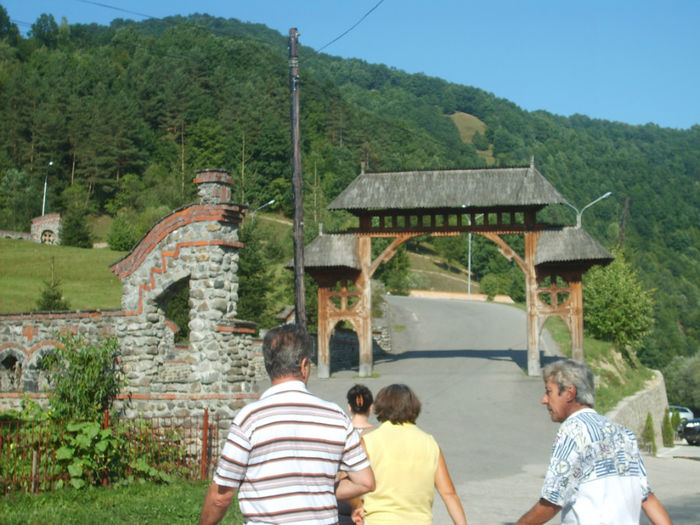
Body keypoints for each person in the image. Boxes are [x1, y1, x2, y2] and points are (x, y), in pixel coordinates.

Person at [199, 324, 375, 525]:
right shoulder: (336, 416)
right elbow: (365, 482)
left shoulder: (249, 419)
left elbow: (221, 495)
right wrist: (322, 490)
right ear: (303, 366)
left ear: (269, 366)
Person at [516, 358, 672, 525]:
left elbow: (553, 500)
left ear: (569, 393)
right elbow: (647, 498)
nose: (544, 400)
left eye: (549, 392)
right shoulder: (624, 434)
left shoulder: (573, 431)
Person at [353, 384, 467, 525]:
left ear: (380, 407)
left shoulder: (369, 442)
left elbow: (352, 481)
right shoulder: (430, 444)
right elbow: (448, 493)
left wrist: (357, 505)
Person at [338, 384, 375, 525]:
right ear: (370, 408)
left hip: (342, 498)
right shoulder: (377, 435)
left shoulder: (341, 432)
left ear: (349, 407)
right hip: (368, 500)